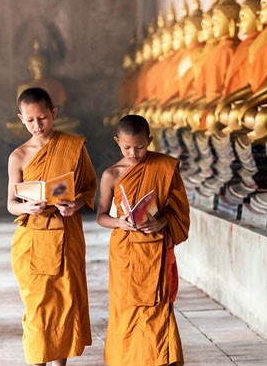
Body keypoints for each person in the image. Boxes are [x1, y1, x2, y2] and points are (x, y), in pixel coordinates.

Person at [6, 87, 97, 366]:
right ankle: (37, 362)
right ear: (21, 119)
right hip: (33, 240)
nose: (38, 125)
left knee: (64, 305)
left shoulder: (74, 146)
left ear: (54, 113)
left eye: (43, 118)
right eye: (31, 120)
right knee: (37, 308)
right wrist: (27, 207)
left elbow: (88, 189)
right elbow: (11, 203)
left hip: (66, 234)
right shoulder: (18, 156)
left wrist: (75, 205)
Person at [97, 115, 190, 366]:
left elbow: (179, 210)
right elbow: (101, 216)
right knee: (125, 311)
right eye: (127, 147)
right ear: (117, 141)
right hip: (124, 253)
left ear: (150, 140)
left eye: (140, 147)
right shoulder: (111, 175)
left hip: (153, 249)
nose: (134, 153)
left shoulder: (166, 167)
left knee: (155, 309)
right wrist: (119, 222)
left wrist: (162, 221)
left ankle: (158, 361)